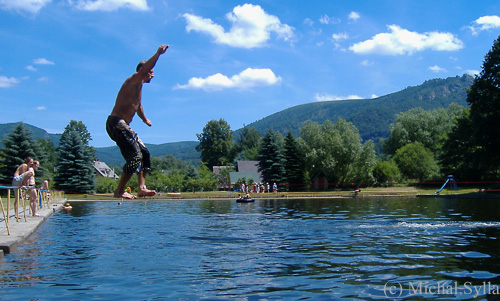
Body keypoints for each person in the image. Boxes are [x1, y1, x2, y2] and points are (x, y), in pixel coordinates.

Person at [106, 44, 169, 199]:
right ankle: (119, 191)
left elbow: (138, 105)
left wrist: (144, 119)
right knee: (135, 157)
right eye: (151, 72)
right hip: (116, 123)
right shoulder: (133, 80)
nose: (152, 76)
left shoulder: (139, 87)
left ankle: (141, 188)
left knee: (144, 153)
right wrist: (158, 54)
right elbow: (144, 69)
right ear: (144, 71)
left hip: (123, 125)